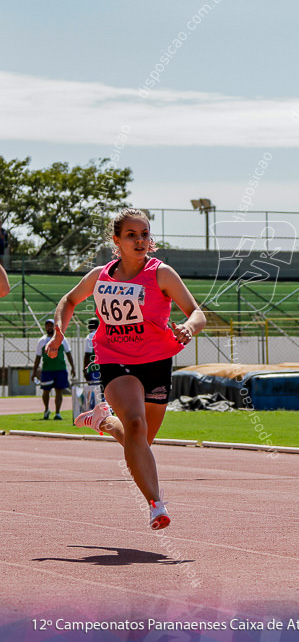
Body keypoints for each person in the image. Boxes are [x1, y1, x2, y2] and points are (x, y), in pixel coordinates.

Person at [47, 208, 206, 530]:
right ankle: (156, 505)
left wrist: (189, 327)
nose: (139, 240)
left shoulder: (162, 274)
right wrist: (58, 331)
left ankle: (103, 420)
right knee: (135, 425)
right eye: (131, 235)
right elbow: (69, 299)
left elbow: (197, 312)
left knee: (141, 441)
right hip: (114, 357)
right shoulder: (99, 275)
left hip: (156, 360)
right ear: (116, 240)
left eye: (144, 234)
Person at [33, 318, 75, 420]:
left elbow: (68, 354)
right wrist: (34, 372)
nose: (49, 327)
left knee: (59, 391)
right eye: (47, 325)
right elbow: (38, 357)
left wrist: (73, 367)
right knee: (46, 391)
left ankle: (57, 412)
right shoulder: (42, 341)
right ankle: (47, 409)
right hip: (47, 370)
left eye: (51, 325)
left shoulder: (62, 339)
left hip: (60, 369)